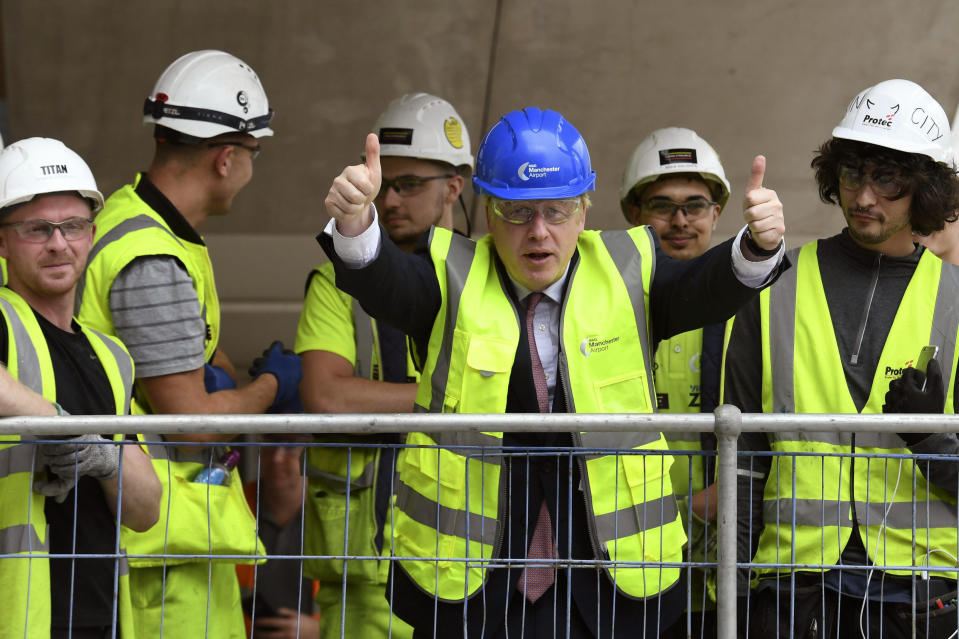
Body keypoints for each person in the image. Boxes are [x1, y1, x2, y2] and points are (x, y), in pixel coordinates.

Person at [319, 106, 786, 638]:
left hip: (612, 581)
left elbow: (703, 287)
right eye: (518, 213)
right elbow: (386, 281)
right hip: (473, 583)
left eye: (557, 211)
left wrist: (757, 247)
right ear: (490, 214)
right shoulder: (450, 273)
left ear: (584, 211)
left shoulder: (631, 271)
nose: (538, 233)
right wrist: (356, 227)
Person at [75, 50, 302, 638]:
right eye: (255, 152)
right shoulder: (152, 258)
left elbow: (201, 361)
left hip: (170, 540)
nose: (254, 166)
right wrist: (272, 387)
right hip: (162, 557)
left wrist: (225, 379)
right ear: (227, 158)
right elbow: (193, 423)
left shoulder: (140, 224)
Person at [723, 79, 959, 638]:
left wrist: (933, 439)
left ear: (925, 187)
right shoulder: (776, 286)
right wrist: (734, 592)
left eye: (888, 178)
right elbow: (740, 455)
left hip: (917, 595)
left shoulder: (955, 303)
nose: (864, 196)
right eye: (853, 172)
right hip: (790, 590)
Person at [295, 92, 471, 639]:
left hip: (467, 563)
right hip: (363, 568)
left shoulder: (487, 279)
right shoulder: (335, 280)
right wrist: (450, 402)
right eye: (383, 183)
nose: (390, 198)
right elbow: (326, 397)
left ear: (454, 187)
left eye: (409, 184)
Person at [0, 137, 161, 638]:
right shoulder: (3, 317)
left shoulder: (111, 356)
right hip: (14, 610)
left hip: (98, 611)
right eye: (36, 229)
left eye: (72, 226)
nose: (57, 243)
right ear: (1, 242)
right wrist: (63, 428)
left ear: (91, 235)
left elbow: (145, 509)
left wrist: (105, 458)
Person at [620, 126, 732, 635]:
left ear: (717, 214)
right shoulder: (603, 306)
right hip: (626, 551)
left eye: (695, 204)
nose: (680, 220)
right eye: (662, 205)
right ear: (633, 215)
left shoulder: (749, 308)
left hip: (722, 557)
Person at [236, 435, 320, 639]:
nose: (277, 458)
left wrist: (321, 631)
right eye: (270, 444)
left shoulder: (333, 517)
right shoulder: (235, 507)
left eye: (291, 446)